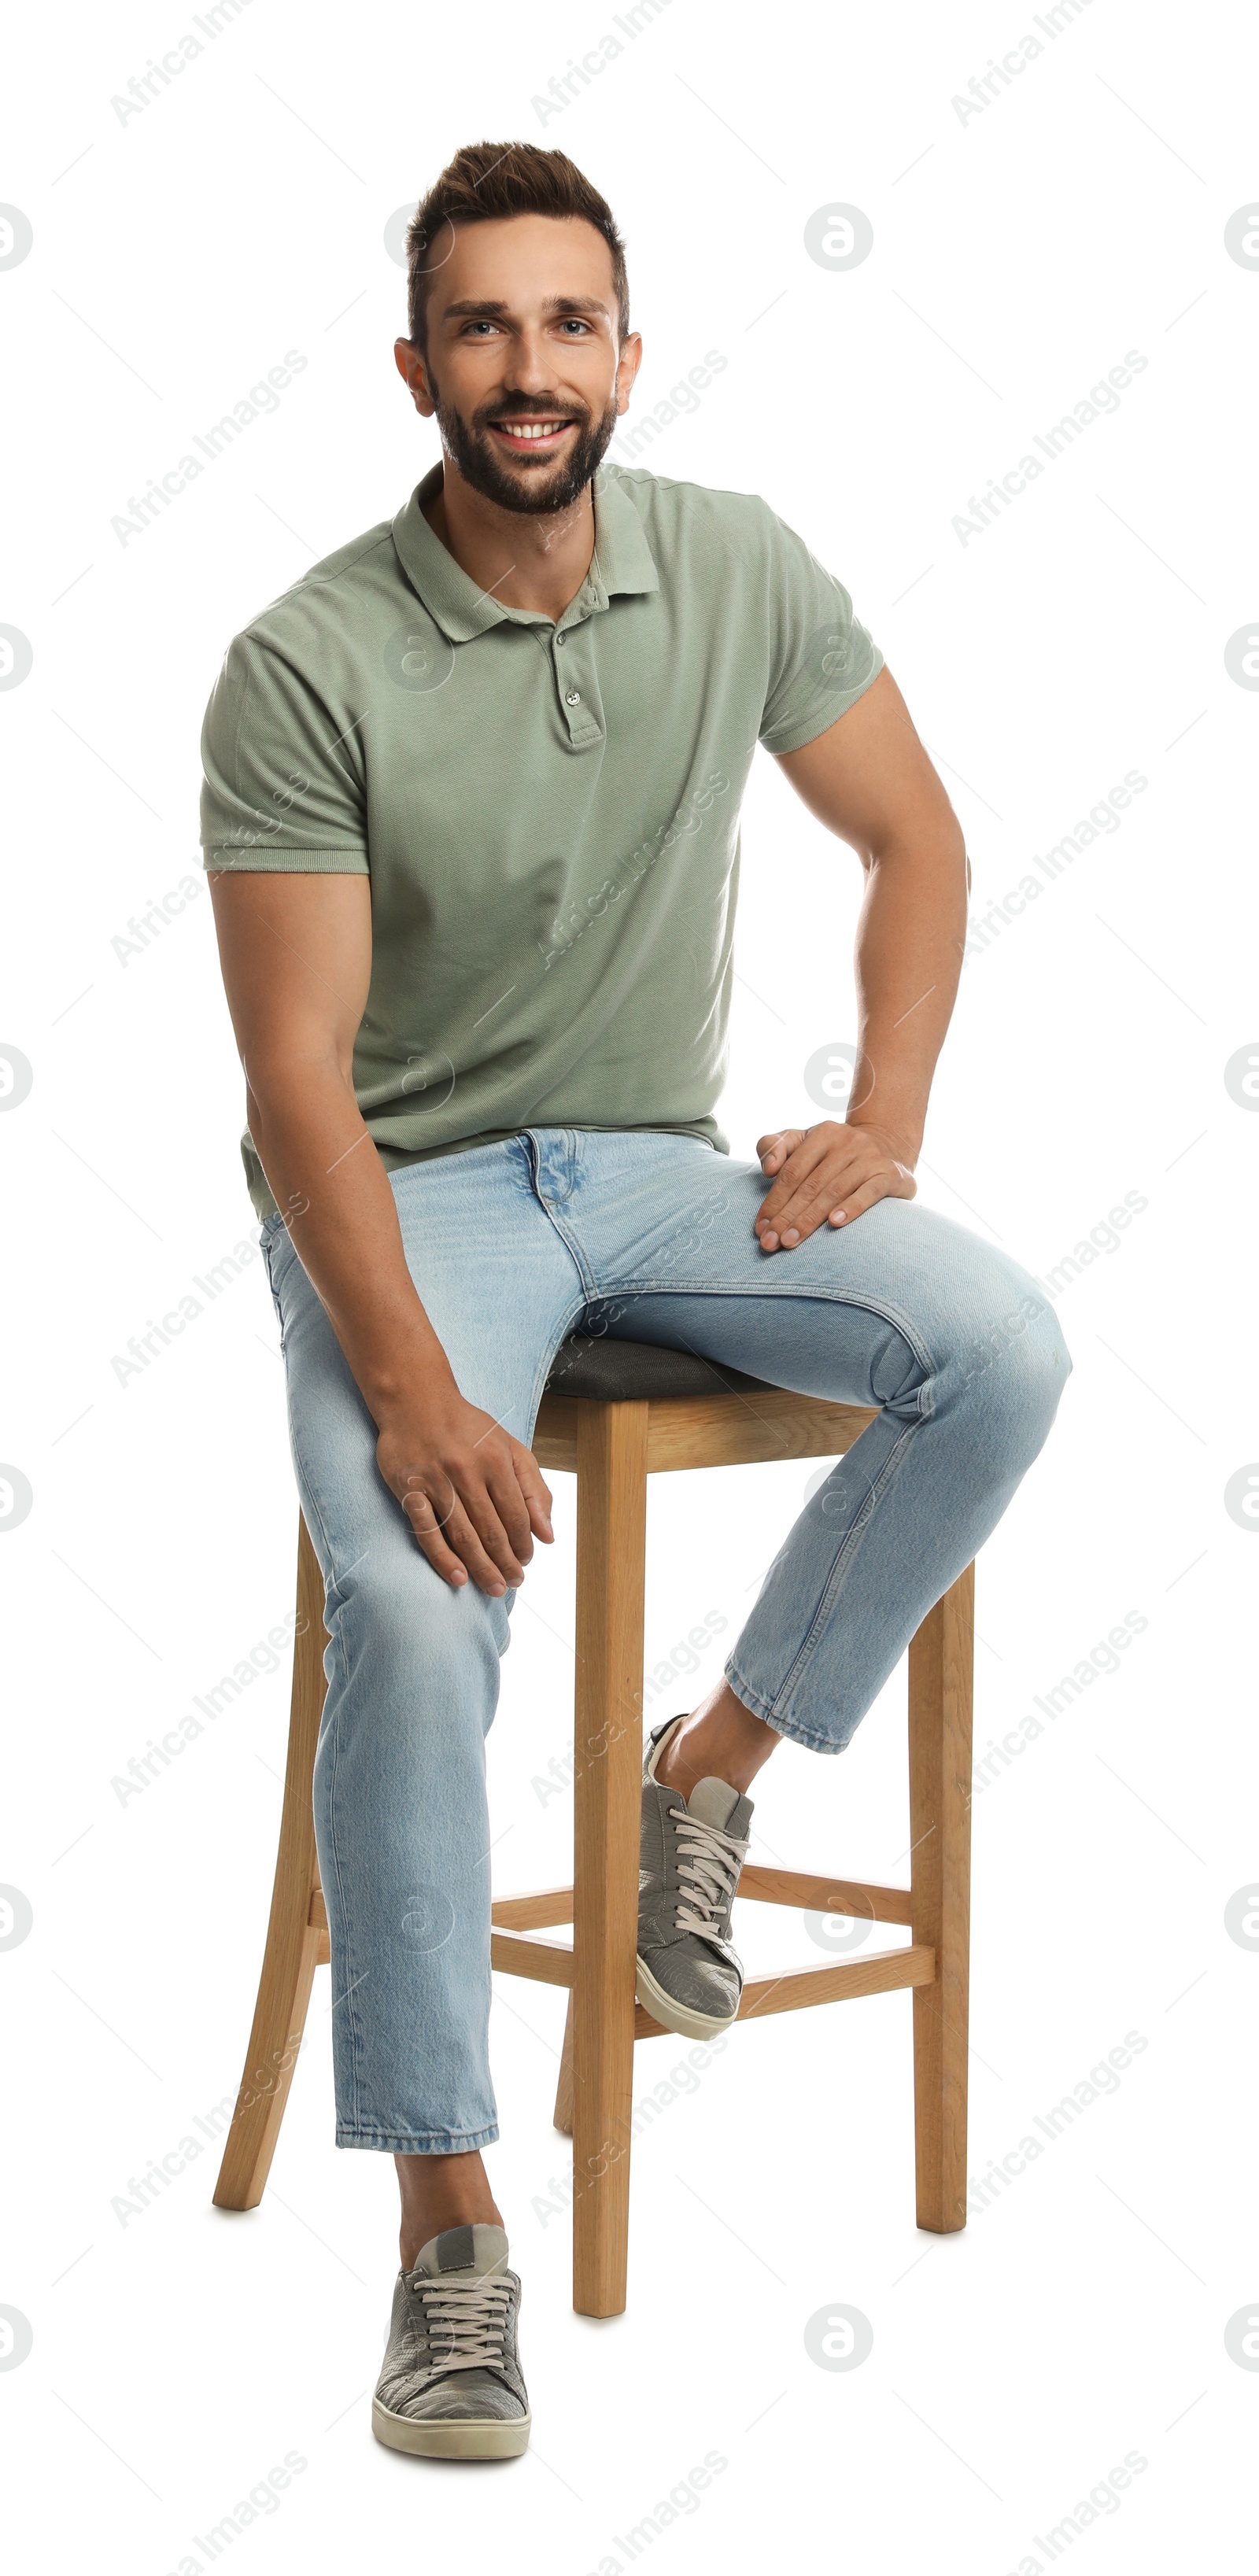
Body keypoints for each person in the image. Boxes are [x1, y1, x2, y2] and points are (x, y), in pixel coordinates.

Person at [201, 139, 1070, 2463]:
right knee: (404, 1602)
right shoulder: (306, 663)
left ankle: (713, 1771)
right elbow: (293, 1078)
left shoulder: (736, 566)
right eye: (481, 327)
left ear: (625, 353)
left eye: (566, 323)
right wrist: (405, 1382)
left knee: (1002, 1342)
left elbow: (918, 838)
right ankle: (447, 2233)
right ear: (417, 368)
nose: (528, 369)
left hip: (664, 1174)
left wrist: (877, 1107)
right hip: (408, 1197)